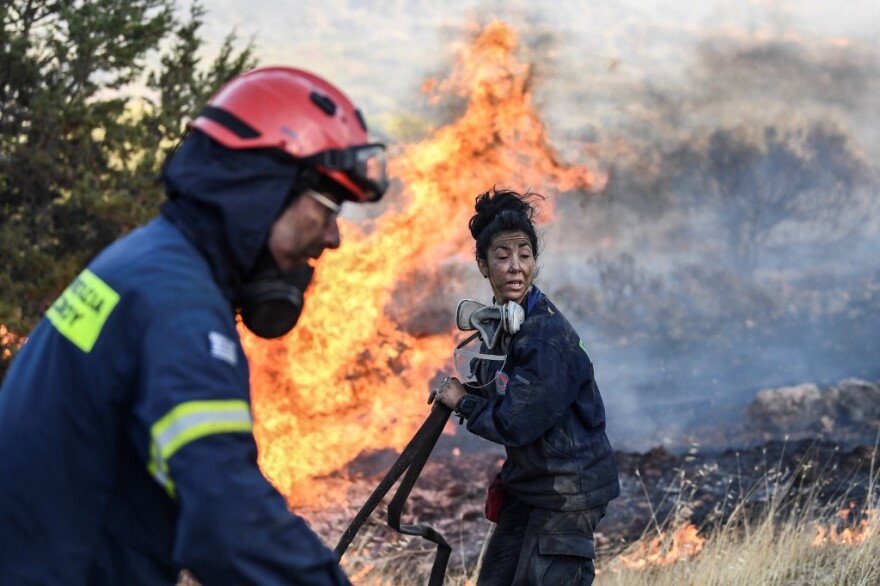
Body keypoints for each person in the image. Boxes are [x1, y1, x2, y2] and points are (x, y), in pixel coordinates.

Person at [0, 67, 388, 585]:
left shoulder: (144, 262)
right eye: (326, 206)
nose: (334, 236)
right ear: (260, 189)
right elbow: (227, 521)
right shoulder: (180, 310)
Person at [429, 187, 620, 585]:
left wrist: (464, 403)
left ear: (534, 262)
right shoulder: (505, 322)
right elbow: (498, 384)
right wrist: (466, 391)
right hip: (531, 485)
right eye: (502, 256)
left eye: (525, 255)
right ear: (483, 265)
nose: (515, 266)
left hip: (567, 492)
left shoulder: (542, 336)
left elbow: (515, 423)